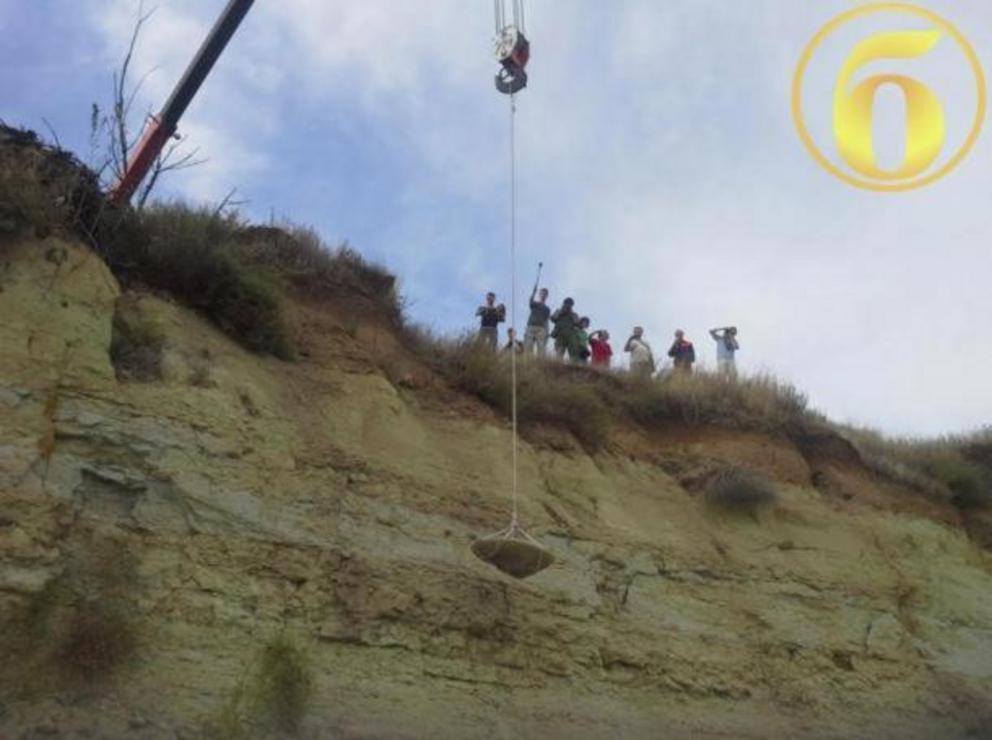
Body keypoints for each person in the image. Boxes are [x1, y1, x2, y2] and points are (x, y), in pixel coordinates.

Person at [524, 286, 551, 357]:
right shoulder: (534, 303)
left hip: (541, 329)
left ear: (547, 296)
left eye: (545, 294)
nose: (543, 295)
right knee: (528, 345)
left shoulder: (547, 309)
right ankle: (527, 362)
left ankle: (541, 363)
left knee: (541, 347)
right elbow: (530, 301)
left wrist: (547, 332)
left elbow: (546, 320)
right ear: (539, 294)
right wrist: (533, 292)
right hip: (531, 326)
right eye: (542, 293)